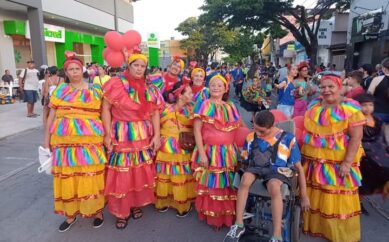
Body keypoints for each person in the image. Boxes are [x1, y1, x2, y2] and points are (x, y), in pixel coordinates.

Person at [224, 110, 310, 242]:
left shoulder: (288, 139)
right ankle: (239, 224)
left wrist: (304, 196)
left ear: (273, 125)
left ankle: (276, 236)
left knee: (274, 186)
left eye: (262, 131)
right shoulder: (251, 137)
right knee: (245, 179)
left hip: (277, 171)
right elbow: (245, 160)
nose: (258, 134)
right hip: (256, 167)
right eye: (256, 129)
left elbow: (298, 167)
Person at [43, 54, 107, 232]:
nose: (74, 72)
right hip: (64, 144)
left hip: (90, 143)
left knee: (90, 176)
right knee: (68, 177)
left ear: (83, 70)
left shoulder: (96, 90)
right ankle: (70, 215)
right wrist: (46, 141)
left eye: (77, 68)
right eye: (71, 69)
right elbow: (51, 117)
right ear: (66, 72)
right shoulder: (60, 90)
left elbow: (104, 114)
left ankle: (97, 212)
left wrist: (108, 136)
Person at [102, 51, 165, 229]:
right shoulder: (115, 83)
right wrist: (107, 134)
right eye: (135, 65)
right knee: (122, 171)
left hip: (143, 135)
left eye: (142, 66)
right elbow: (105, 109)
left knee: (139, 170)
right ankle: (121, 211)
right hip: (121, 133)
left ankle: (136, 204)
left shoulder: (150, 87)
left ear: (146, 68)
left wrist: (157, 136)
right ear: (128, 66)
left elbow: (155, 113)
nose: (139, 69)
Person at [302, 75, 365, 242]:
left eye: (331, 87)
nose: (326, 90)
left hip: (339, 163)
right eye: (323, 87)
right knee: (317, 193)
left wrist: (347, 163)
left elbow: (356, 137)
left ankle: (335, 232)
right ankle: (318, 227)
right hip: (316, 162)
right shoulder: (315, 106)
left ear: (339, 87)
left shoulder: (350, 108)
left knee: (336, 196)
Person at [191, 74, 242, 229]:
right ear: (209, 87)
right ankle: (214, 218)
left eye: (220, 85)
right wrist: (201, 153)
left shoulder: (230, 106)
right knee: (213, 185)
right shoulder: (203, 105)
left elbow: (240, 127)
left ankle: (227, 215)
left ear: (225, 88)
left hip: (228, 152)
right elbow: (197, 131)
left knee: (227, 184)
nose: (216, 88)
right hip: (210, 152)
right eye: (213, 85)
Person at [155, 81, 196, 217]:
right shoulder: (165, 110)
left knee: (179, 175)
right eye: (189, 92)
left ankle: (180, 204)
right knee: (166, 175)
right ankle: (164, 201)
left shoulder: (192, 110)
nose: (192, 94)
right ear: (180, 95)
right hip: (166, 148)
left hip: (183, 147)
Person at [354, 94, 389, 214]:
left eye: (370, 105)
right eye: (364, 105)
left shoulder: (377, 119)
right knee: (362, 181)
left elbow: (382, 137)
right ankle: (358, 202)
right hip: (363, 151)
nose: (367, 108)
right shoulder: (355, 120)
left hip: (378, 149)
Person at [367, 57, 389, 144]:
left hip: (378, 113)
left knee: (376, 139)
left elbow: (368, 96)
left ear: (383, 68)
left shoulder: (377, 79)